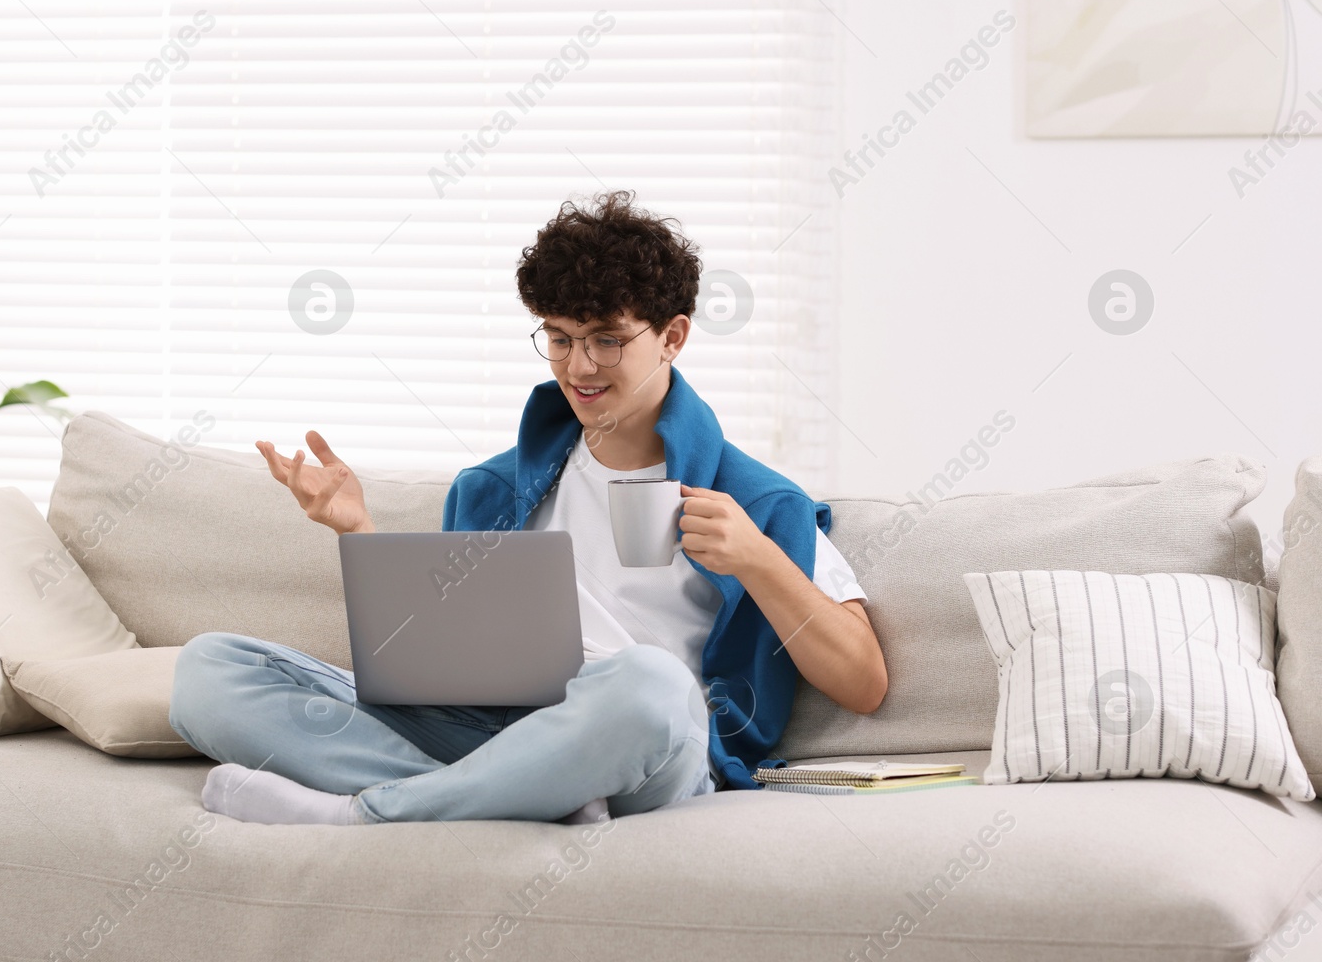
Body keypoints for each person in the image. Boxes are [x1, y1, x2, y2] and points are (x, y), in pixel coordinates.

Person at [169, 190, 888, 826]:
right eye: (560, 337)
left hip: (641, 740)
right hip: (495, 729)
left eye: (608, 338)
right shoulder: (490, 488)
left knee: (653, 682)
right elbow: (435, 663)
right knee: (209, 670)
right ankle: (532, 793)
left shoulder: (758, 501)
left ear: (672, 336)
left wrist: (758, 559)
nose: (579, 367)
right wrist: (359, 531)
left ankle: (371, 810)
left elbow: (864, 679)